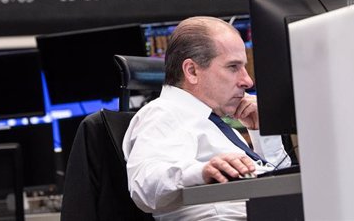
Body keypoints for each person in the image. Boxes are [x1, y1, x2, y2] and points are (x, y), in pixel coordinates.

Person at [122, 16, 291, 220]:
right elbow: (144, 187)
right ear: (192, 71)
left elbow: (281, 190)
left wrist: (262, 133)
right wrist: (202, 172)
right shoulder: (164, 114)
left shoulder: (218, 126)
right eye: (233, 67)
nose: (247, 80)